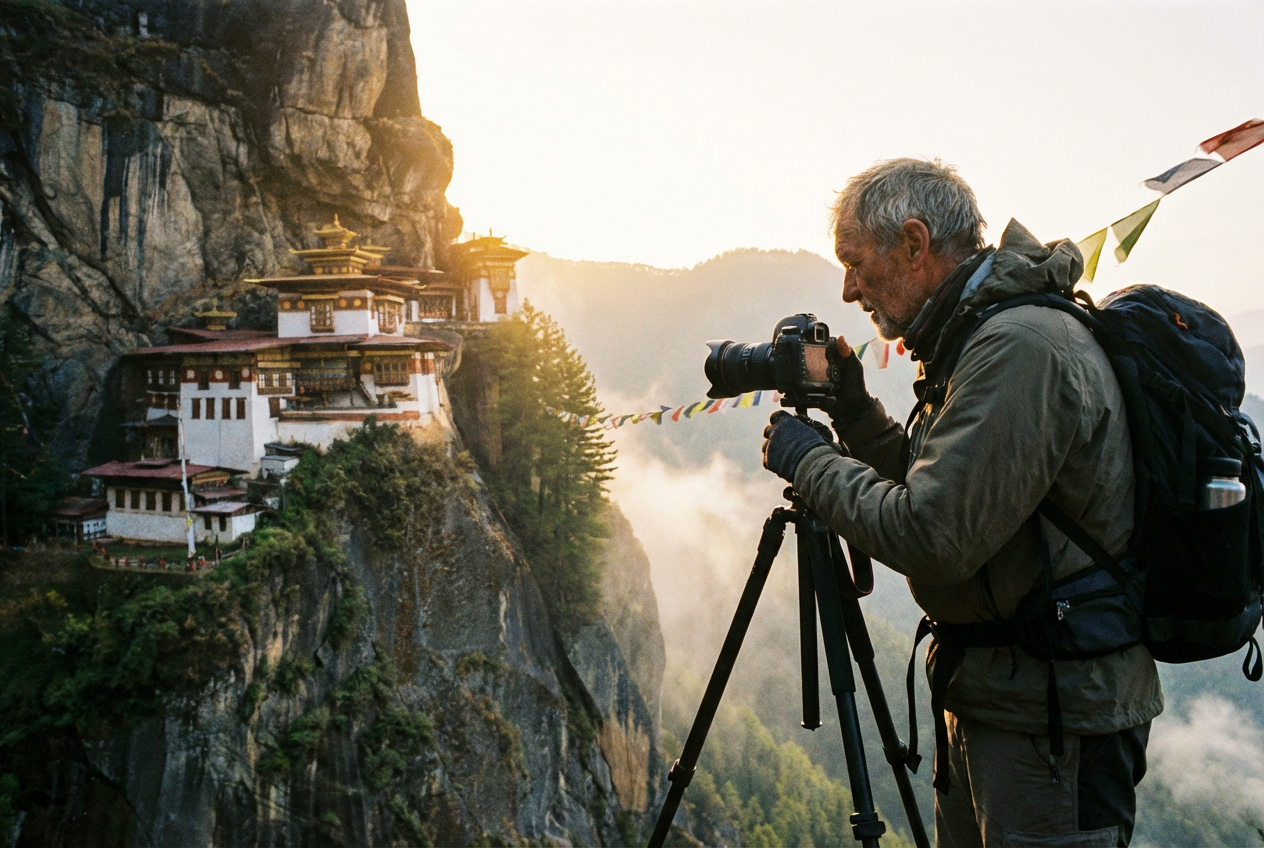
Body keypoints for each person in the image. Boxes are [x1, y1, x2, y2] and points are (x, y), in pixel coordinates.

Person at [761, 158, 1160, 847]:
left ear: (914, 243)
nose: (849, 290)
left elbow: (933, 536)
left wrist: (811, 462)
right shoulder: (970, 339)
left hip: (1051, 725)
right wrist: (855, 414)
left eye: (856, 264)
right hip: (998, 696)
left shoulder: (1020, 348)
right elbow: (945, 489)